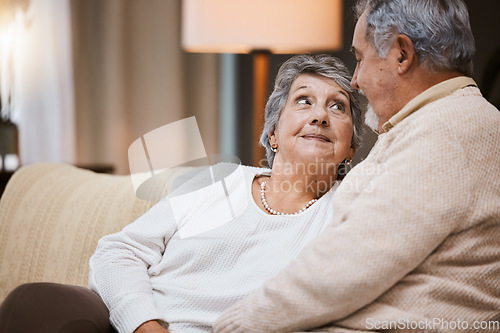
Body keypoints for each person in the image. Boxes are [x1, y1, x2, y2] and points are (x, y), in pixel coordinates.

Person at [0, 54, 363, 333]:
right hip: (134, 326)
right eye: (303, 101)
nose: (320, 116)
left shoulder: (347, 212)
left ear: (350, 148)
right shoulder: (222, 180)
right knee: (35, 302)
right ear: (273, 132)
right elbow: (118, 252)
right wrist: (144, 324)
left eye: (337, 106)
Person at [213, 0, 500, 332]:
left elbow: (342, 270)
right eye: (304, 101)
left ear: (402, 55)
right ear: (272, 132)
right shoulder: (438, 124)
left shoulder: (447, 132)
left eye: (361, 59)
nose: (356, 80)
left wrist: (228, 328)